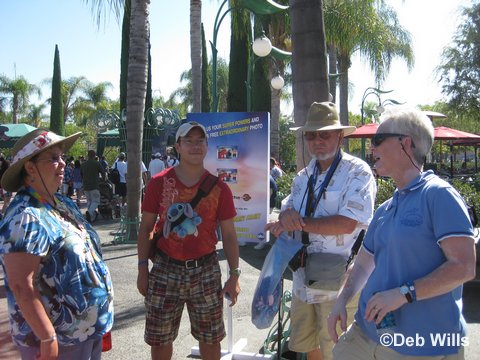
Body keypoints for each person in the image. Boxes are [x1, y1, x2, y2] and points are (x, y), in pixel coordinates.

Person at [327, 108, 476, 359]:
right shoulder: (387, 206)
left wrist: (404, 293)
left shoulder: (439, 195)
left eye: (378, 140)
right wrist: (341, 301)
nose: (371, 149)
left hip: (422, 345)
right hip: (366, 334)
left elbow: (464, 267)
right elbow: (363, 264)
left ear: (405, 143)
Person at [265, 101, 376, 360]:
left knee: (337, 344)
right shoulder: (303, 176)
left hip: (341, 276)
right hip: (304, 273)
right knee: (306, 339)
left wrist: (299, 221)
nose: (317, 140)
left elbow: (348, 223)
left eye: (324, 134)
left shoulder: (358, 171)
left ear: (339, 136)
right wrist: (283, 220)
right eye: (311, 135)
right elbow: (287, 211)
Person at [0, 129, 113, 360]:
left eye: (61, 156)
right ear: (30, 168)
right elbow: (22, 284)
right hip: (58, 340)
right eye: (53, 158)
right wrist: (47, 337)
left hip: (83, 332)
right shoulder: (25, 215)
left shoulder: (60, 202)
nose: (63, 163)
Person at [136, 121, 241, 360]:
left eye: (200, 141)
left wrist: (234, 274)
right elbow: (145, 229)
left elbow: (230, 235)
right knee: (160, 340)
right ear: (178, 147)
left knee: (211, 339)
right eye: (188, 141)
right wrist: (143, 268)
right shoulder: (159, 183)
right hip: (165, 268)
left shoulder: (219, 188)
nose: (195, 146)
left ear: (207, 146)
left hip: (205, 270)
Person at [81, 149, 107, 223]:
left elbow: (81, 175)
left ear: (88, 155)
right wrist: (103, 180)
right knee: (95, 201)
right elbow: (103, 173)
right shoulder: (96, 163)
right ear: (94, 155)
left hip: (86, 186)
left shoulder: (83, 164)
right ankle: (90, 212)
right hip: (94, 185)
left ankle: (91, 218)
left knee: (89, 201)